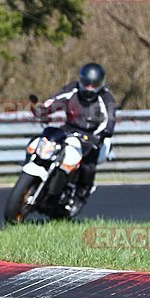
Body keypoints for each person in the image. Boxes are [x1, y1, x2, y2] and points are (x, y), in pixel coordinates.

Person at [37, 63, 117, 213]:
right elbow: (56, 100)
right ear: (81, 80)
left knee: (88, 165)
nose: (89, 88)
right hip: (70, 129)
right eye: (86, 84)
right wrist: (43, 110)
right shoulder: (73, 89)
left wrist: (101, 135)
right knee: (47, 141)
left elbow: (109, 120)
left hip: (92, 136)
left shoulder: (106, 98)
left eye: (94, 85)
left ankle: (81, 195)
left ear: (101, 84)